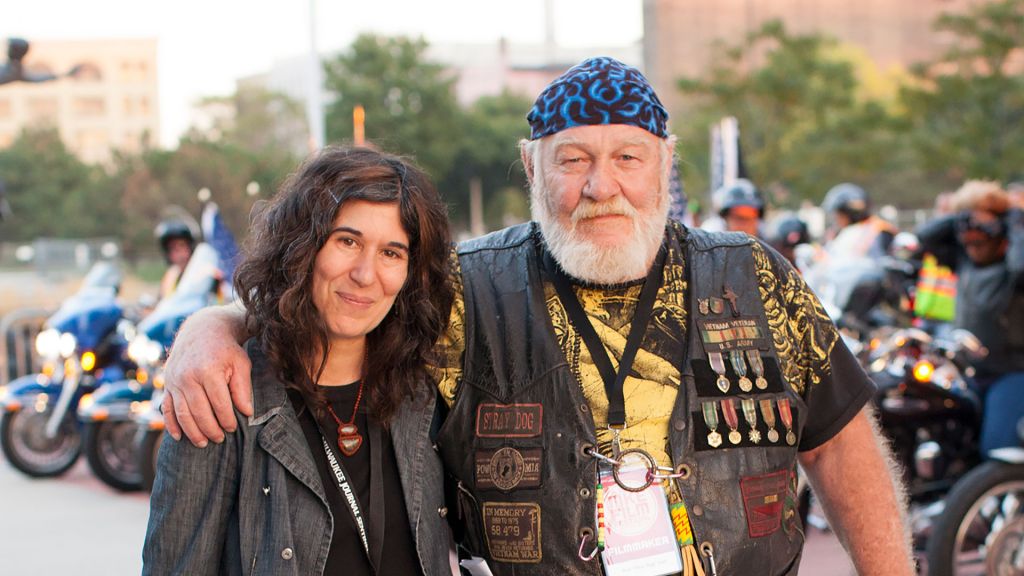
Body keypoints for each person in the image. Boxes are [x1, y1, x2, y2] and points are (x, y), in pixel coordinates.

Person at [161, 57, 914, 575]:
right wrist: (217, 329)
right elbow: (340, 305)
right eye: (574, 159)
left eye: (628, 157)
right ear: (532, 168)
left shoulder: (755, 277)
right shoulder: (462, 289)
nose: (602, 185)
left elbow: (844, 451)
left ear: (665, 165)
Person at [142, 147, 455, 575]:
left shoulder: (424, 391)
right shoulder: (221, 395)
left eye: (391, 253)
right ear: (301, 247)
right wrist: (205, 326)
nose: (366, 274)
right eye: (347, 241)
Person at [916, 180, 1024, 454]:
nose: (972, 238)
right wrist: (961, 214)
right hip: (967, 373)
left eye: (982, 229)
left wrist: (1013, 219)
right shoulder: (963, 260)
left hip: (1010, 373)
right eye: (967, 228)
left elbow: (1021, 267)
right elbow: (925, 236)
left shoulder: (1012, 268)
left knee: (996, 449)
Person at [820, 182, 896, 260]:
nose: (836, 218)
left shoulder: (879, 228)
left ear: (849, 213)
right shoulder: (840, 232)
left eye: (839, 214)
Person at [154, 219, 196, 298]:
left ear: (190, 247)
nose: (179, 253)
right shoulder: (171, 276)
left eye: (182, 246)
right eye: (173, 248)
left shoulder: (203, 275)